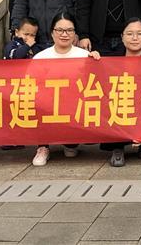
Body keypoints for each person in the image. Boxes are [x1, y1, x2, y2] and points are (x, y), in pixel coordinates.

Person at [31, 11, 101, 167]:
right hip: (47, 107)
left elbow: (95, 85)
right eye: (60, 30)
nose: (64, 34)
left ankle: (70, 143)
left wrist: (96, 61)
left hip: (74, 107)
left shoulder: (85, 56)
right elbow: (31, 87)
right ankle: (43, 146)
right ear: (52, 32)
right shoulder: (40, 57)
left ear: (75, 33)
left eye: (69, 30)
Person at [101, 18, 141, 167]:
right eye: (129, 34)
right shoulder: (110, 60)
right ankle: (117, 147)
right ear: (122, 37)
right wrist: (94, 59)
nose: (135, 38)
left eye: (139, 33)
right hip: (120, 109)